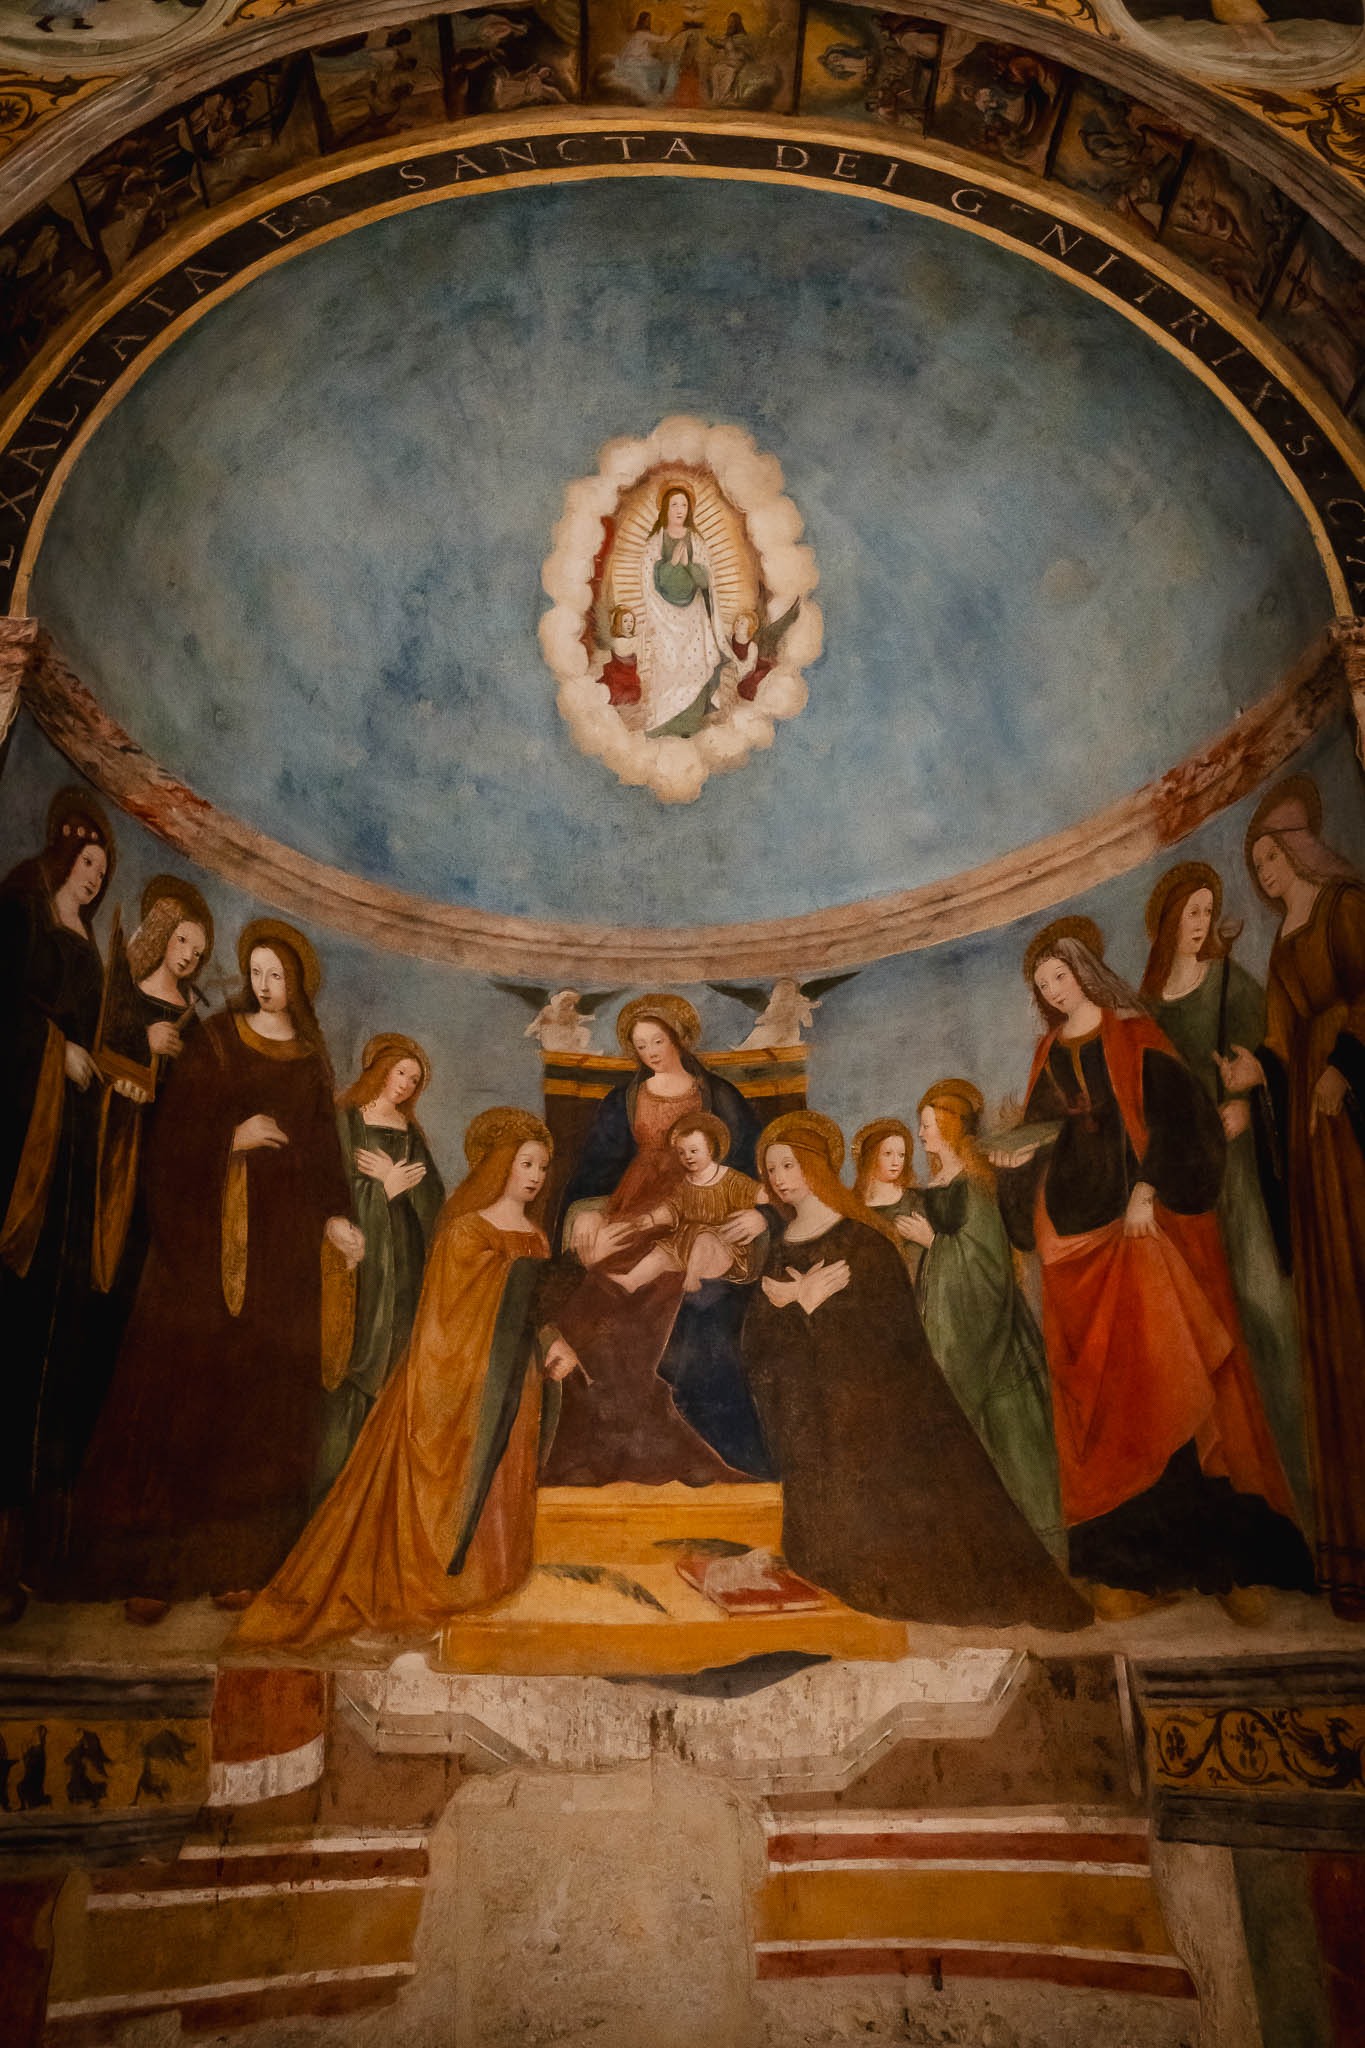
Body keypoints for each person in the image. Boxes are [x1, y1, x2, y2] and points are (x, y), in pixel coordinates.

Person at [996, 916, 1313, 1623]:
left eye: (1060, 975)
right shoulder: (1047, 1053)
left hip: (1137, 1239)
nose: (1054, 990)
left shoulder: (1135, 1036)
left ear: (1082, 971)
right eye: (1043, 985)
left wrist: (1147, 1187)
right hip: (1071, 1251)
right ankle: (1125, 1577)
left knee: (1171, 1383)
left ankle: (1225, 1571)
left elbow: (1182, 1122)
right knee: (1106, 1412)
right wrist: (1017, 1161)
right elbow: (1043, 1139)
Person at [65, 919, 361, 1619]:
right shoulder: (219, 1040)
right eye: (255, 972)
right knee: (183, 1398)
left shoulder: (310, 1058)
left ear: (296, 984)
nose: (264, 984)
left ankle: (240, 1564)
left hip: (282, 1258)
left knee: (260, 1410)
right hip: (205, 1251)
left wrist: (335, 1217)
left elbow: (324, 1153)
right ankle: (153, 1570)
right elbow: (172, 1131)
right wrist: (234, 1136)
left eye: (276, 975)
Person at [235, 1110, 580, 1648]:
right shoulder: (466, 1229)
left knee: (502, 1475)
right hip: (457, 1385)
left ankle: (488, 1579)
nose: (535, 1176)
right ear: (498, 1166)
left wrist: (555, 1339)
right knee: (447, 1485)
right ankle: (434, 1587)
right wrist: (564, 1273)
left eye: (542, 1166)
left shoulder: (535, 1235)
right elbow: (453, 1314)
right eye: (525, 1163)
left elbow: (531, 1310)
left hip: (515, 1382)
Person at [741, 1112, 1090, 1628]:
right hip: (811, 1421)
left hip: (872, 1429)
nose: (780, 1178)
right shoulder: (782, 1243)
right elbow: (756, 1342)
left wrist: (812, 1307)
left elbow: (890, 1341)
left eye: (789, 1165)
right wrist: (794, 1303)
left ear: (815, 1166)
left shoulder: (865, 1242)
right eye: (772, 1169)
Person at [1217, 777, 1365, 1619]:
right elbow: (1278, 1042)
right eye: (1257, 864)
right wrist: (1259, 1071)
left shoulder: (1346, 909)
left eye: (1271, 857)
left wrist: (1343, 1064)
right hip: (1311, 1135)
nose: (1265, 873)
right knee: (1329, 1307)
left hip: (1346, 1115)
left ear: (1302, 848)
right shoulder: (1280, 946)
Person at [1141, 861, 1310, 1525]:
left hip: (1235, 1174)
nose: (1200, 923)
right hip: (1184, 1187)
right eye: (1190, 912)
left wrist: (1249, 1095)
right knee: (1203, 1334)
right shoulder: (1150, 1011)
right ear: (1166, 921)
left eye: (1207, 912)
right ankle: (1243, 1489)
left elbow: (1276, 1054)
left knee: (1262, 1310)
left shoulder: (1229, 983)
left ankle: (1297, 1482)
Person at [542, 992, 773, 1481]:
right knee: (602, 1289)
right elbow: (596, 1167)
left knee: (661, 1310)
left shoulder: (719, 1095)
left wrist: (763, 1217)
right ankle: (604, 1445)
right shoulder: (623, 1099)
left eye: (657, 1041)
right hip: (635, 1205)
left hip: (701, 1214)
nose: (649, 1052)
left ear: (678, 1039)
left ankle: (681, 1450)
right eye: (640, 1044)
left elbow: (756, 1168)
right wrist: (587, 1211)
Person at [0, 790, 113, 1619]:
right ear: (61, 856)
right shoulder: (19, 909)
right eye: (88, 862)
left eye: (104, 869)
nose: (95, 877)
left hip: (69, 1148)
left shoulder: (88, 939)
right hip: (22, 1141)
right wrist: (53, 1050)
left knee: (58, 1331)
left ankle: (36, 1550)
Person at [902, 1079, 1066, 1559]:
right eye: (921, 1125)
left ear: (952, 1127)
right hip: (940, 1325)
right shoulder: (934, 1184)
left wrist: (934, 1243)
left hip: (991, 1342)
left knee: (1008, 1448)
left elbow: (987, 1264)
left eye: (929, 1125)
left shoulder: (974, 1186)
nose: (922, 1134)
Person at [315, 1033, 444, 1502]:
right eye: (400, 1072)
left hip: (404, 1260)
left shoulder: (410, 1133)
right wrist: (383, 1189)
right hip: (358, 1260)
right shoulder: (346, 1119)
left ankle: (375, 1490)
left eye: (415, 1079)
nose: (406, 1083)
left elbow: (432, 1200)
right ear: (380, 1070)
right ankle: (333, 1490)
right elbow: (328, 1188)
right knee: (355, 1353)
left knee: (395, 1352)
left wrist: (397, 1185)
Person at [602, 1111, 766, 1295]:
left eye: (694, 1151)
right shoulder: (684, 1184)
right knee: (662, 1250)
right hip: (684, 1245)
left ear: (710, 1150)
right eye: (682, 1152)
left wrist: (762, 1214)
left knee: (704, 1238)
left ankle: (692, 1278)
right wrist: (650, 1219)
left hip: (722, 1248)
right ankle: (631, 1280)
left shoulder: (732, 1180)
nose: (687, 1157)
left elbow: (762, 1195)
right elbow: (672, 1208)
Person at [637, 485, 726, 737]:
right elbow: (649, 581)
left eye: (684, 505)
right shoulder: (654, 543)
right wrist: (671, 565)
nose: (679, 510)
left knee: (694, 666)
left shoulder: (696, 541)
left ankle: (690, 723)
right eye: (674, 504)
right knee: (668, 664)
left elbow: (706, 580)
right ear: (665, 509)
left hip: (693, 615)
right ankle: (665, 723)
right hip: (664, 617)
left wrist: (688, 565)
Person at [850, 1115, 923, 1278]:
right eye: (888, 1153)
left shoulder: (915, 1201)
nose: (896, 1162)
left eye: (901, 1155)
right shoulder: (851, 1206)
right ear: (871, 1156)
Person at [600, 607, 642, 710]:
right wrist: (639, 638)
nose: (629, 624)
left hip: (630, 678)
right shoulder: (618, 641)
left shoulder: (633, 639)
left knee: (634, 695)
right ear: (619, 623)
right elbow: (624, 649)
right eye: (625, 621)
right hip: (617, 678)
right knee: (619, 696)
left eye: (631, 621)